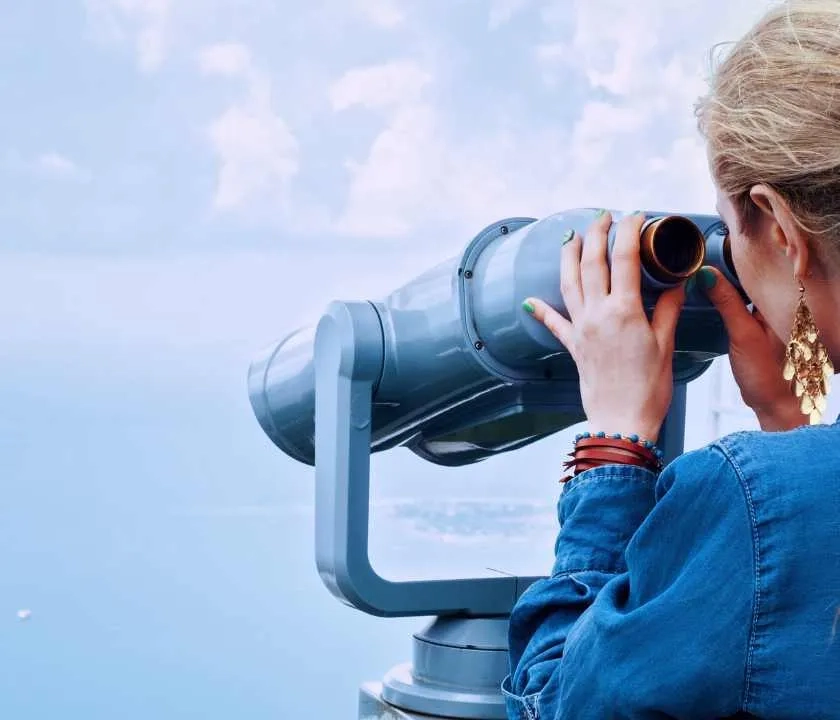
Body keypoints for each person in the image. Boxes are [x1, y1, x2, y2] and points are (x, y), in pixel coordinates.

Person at [505, 1, 840, 718]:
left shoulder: (749, 503)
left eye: (733, 234)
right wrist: (790, 418)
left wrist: (616, 444)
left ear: (782, 228)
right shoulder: (783, 497)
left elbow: (559, 704)